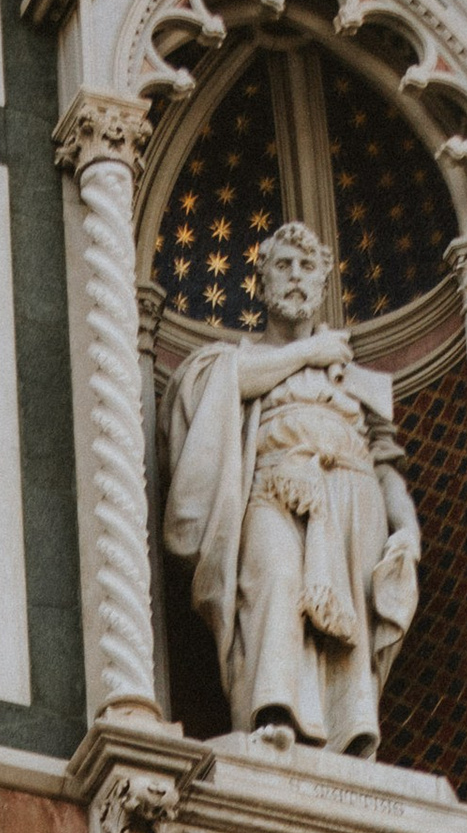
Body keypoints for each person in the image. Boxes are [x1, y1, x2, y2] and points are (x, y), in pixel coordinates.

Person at [162, 219, 421, 752]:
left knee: (344, 621)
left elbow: (385, 462)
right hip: (274, 491)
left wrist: (408, 529)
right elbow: (234, 386)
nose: (296, 277)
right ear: (262, 281)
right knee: (274, 580)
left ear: (324, 283)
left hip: (352, 501)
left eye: (307, 268)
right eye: (283, 266)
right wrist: (310, 354)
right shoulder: (238, 360)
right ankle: (271, 713)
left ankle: (346, 736)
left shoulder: (357, 381)